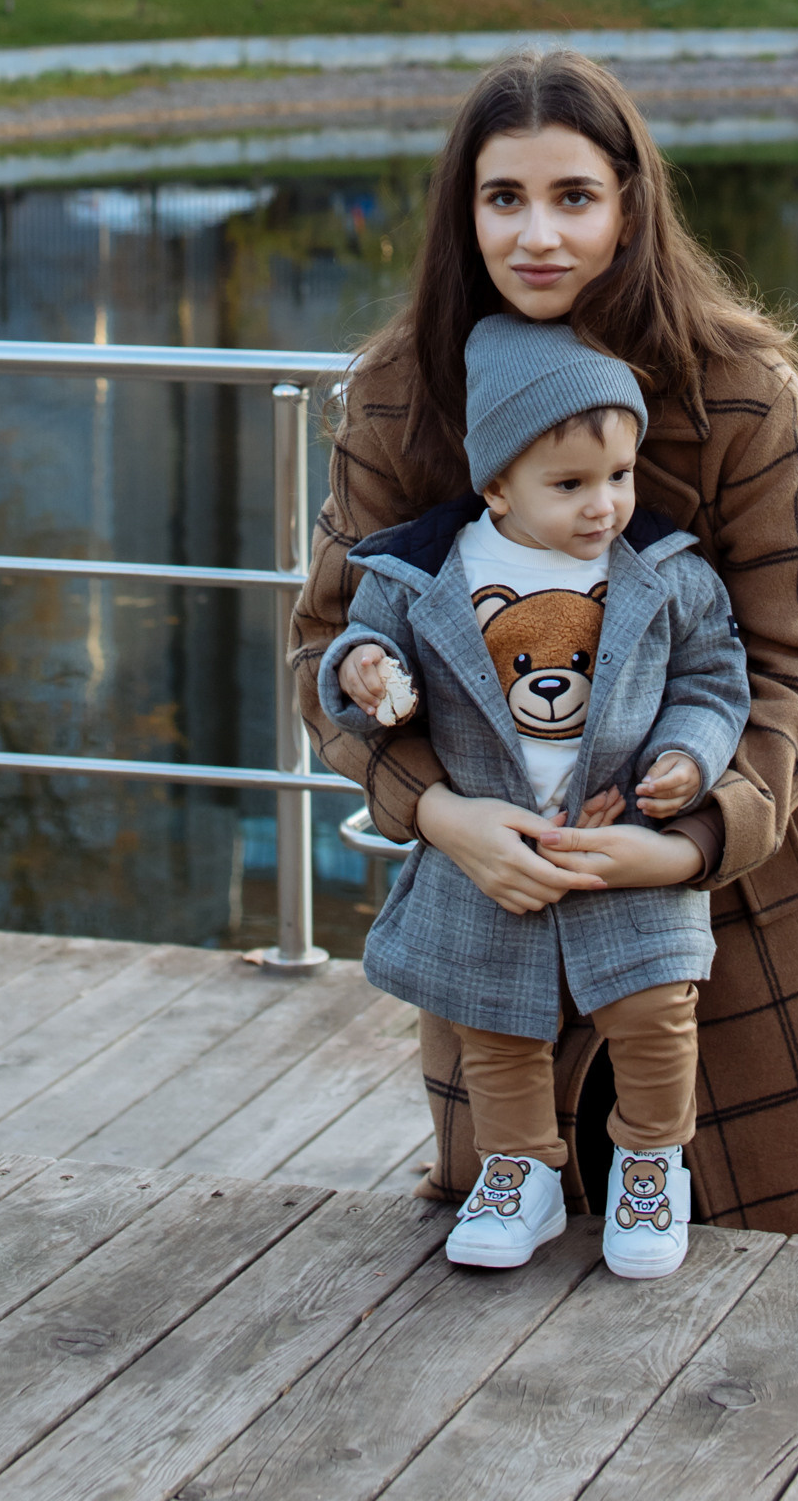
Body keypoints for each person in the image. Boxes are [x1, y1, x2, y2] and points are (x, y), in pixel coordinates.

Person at [292, 47, 798, 1247]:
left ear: (627, 204)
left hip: (750, 889)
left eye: (573, 197)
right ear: (465, 213)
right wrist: (440, 819)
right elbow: (325, 651)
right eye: (504, 198)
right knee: (517, 1263)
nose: (537, 236)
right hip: (503, 885)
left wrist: (688, 840)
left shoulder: (738, 391)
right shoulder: (403, 395)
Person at [319, 312, 751, 1278]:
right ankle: (521, 1171)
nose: (604, 506)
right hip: (492, 856)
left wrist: (688, 754)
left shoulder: (664, 573)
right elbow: (355, 644)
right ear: (496, 486)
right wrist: (366, 675)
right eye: (569, 485)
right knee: (497, 1029)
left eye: (620, 476)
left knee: (655, 1014)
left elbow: (715, 679)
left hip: (623, 842)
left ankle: (651, 1164)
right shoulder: (425, 570)